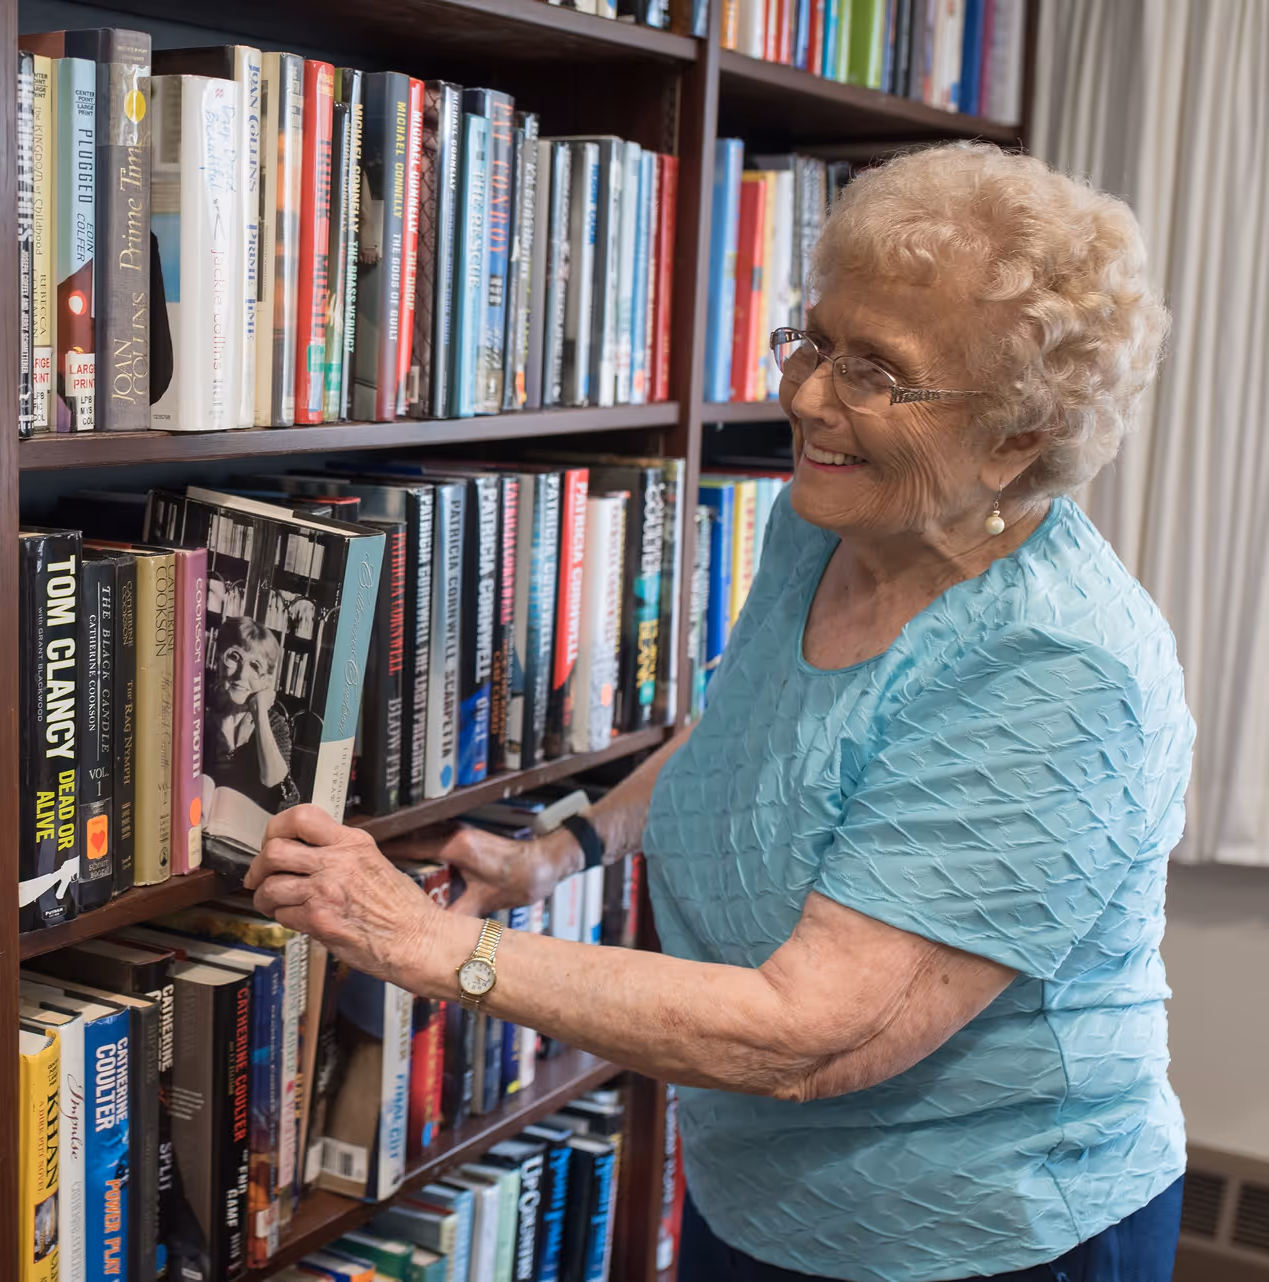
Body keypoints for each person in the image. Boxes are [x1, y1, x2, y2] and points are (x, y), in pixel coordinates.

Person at [243, 142, 1192, 1282]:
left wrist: (427, 943)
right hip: (757, 1187)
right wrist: (560, 852)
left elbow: (810, 1032)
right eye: (818, 340)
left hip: (976, 1231)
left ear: (1016, 438)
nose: (804, 397)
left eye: (875, 374)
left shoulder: (1056, 668)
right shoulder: (833, 519)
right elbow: (752, 735)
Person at [207, 614, 299, 812]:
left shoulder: (275, 723)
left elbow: (272, 780)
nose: (242, 674)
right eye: (234, 657)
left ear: (266, 680)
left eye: (255, 666)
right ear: (218, 659)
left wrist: (259, 713)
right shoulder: (200, 710)